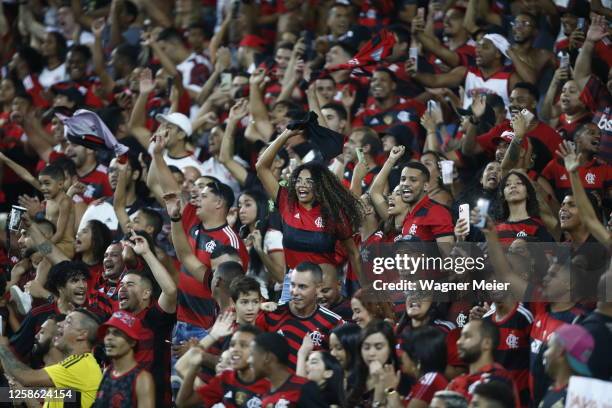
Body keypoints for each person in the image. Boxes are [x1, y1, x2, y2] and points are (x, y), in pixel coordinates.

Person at [256, 127, 364, 284]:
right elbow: (261, 167)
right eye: (298, 181)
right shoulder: (287, 203)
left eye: (309, 182)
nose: (301, 185)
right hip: (291, 286)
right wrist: (285, 135)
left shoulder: (334, 214)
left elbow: (354, 253)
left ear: (320, 187)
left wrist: (367, 290)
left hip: (323, 287)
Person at [119, 233, 177, 407]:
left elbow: (171, 292)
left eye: (130, 285)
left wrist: (145, 253)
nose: (122, 288)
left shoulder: (154, 319)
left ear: (146, 294)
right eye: (122, 285)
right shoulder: (114, 325)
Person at [0, 309, 103, 408]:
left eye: (68, 322)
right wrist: (18, 395)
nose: (36, 336)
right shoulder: (65, 376)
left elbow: (25, 378)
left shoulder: (82, 367)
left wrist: (2, 348)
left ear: (82, 334)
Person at [256, 262, 343, 370]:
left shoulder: (334, 323)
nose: (295, 292)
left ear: (318, 288)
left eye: (302, 287)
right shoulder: (272, 314)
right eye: (293, 285)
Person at [176, 325, 269, 407]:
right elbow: (183, 402)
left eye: (243, 345)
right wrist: (194, 366)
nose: (235, 349)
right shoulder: (224, 380)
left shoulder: (271, 384)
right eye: (232, 345)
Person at [447, 319, 520, 403]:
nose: (458, 342)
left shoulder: (498, 380)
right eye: (460, 337)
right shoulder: (458, 381)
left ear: (487, 343)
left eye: (467, 336)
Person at [248, 332, 328, 407]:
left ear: (267, 357)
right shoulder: (264, 397)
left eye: (251, 355)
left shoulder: (303, 388)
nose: (248, 361)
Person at [94, 311, 155, 408]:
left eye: (117, 333)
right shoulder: (107, 372)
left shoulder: (142, 379)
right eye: (108, 333)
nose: (109, 338)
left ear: (132, 342)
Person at [540, 324, 595, 408]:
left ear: (560, 352)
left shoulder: (571, 400)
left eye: (549, 347)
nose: (544, 354)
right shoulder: (581, 396)